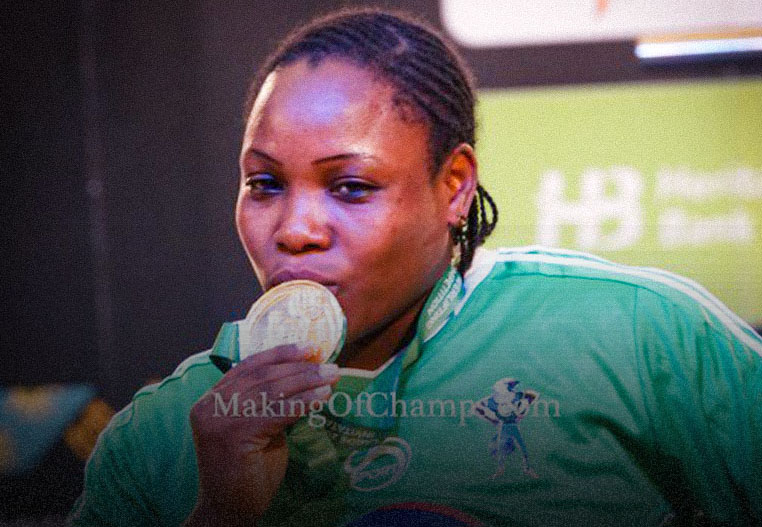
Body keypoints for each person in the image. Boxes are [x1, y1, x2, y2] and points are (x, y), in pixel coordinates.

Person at [69, 8, 762, 527]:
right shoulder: (160, 435)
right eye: (265, 184)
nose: (295, 230)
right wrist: (220, 516)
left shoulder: (639, 336)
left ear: (454, 186)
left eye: (351, 187)